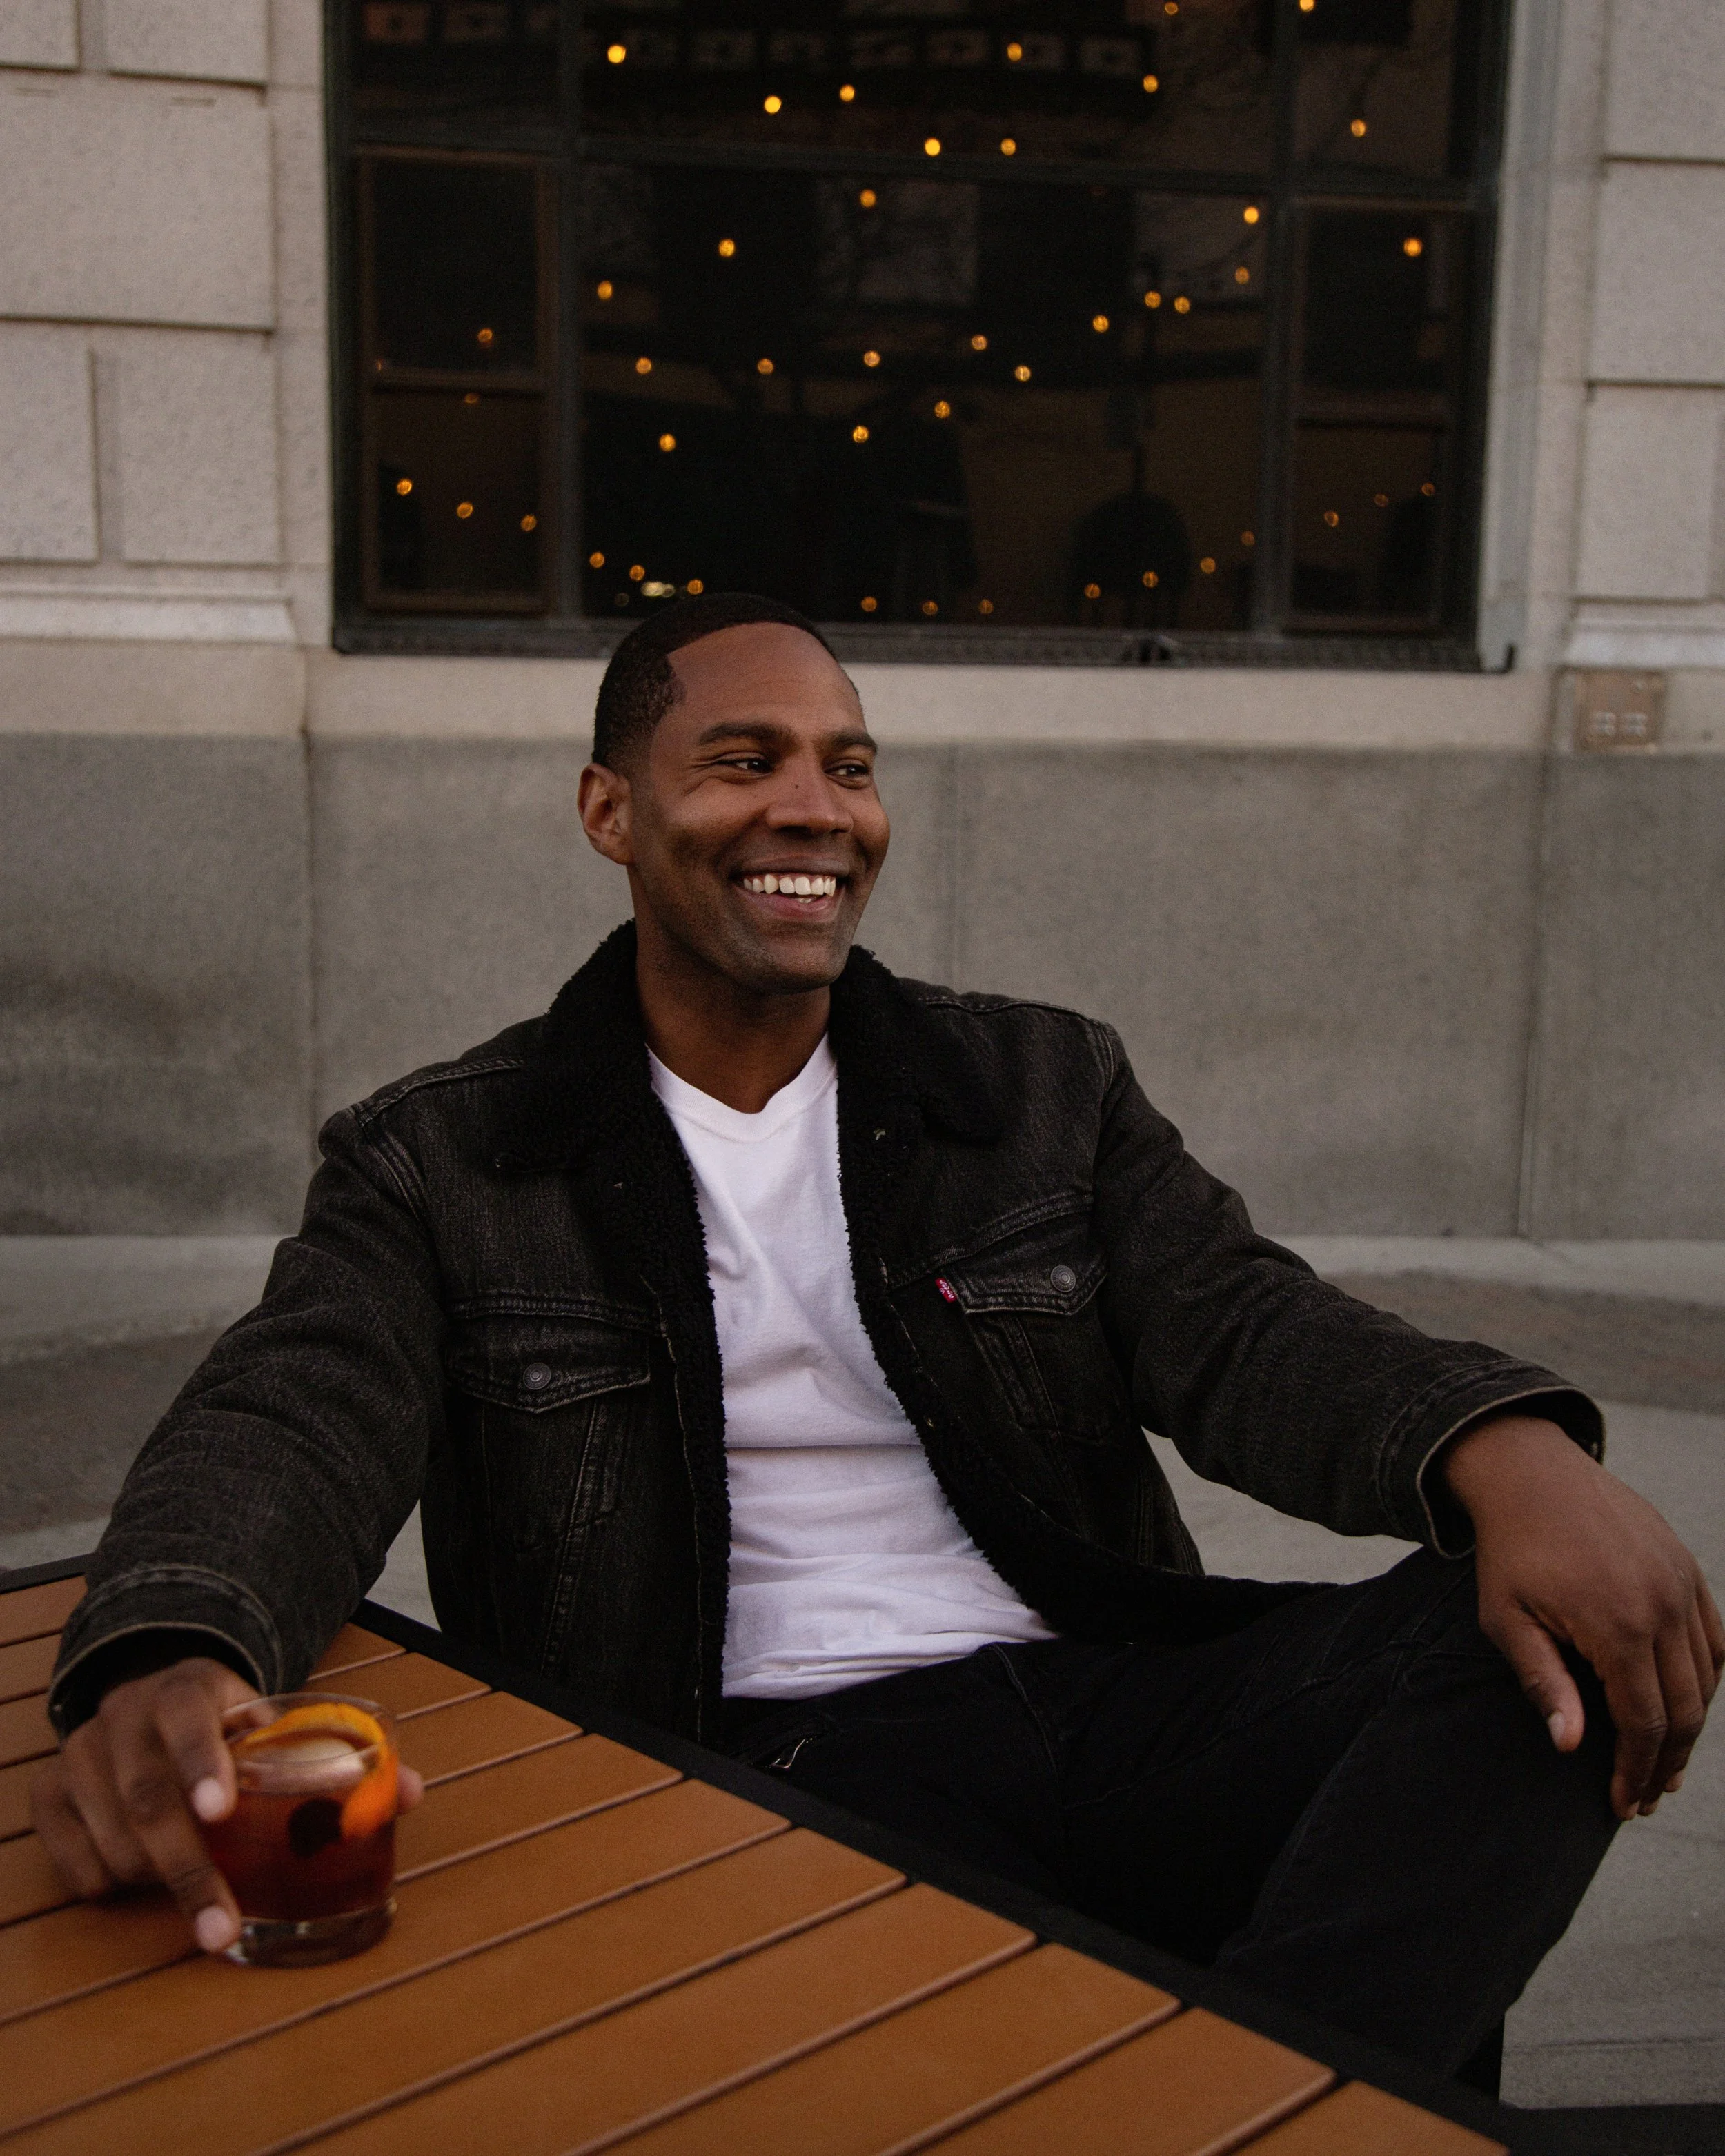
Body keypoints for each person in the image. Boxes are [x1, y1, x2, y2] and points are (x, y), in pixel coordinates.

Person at [37, 593, 1720, 2075]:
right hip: (765, 1760)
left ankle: (1268, 2108)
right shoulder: (446, 1158)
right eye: (742, 759)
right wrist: (175, 1643)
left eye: (847, 766)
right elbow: (295, 1408)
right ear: (610, 811)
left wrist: (1501, 1447)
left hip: (1107, 1690)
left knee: (1541, 1648)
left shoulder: (1034, 1086)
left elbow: (1241, 1323)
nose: (811, 807)